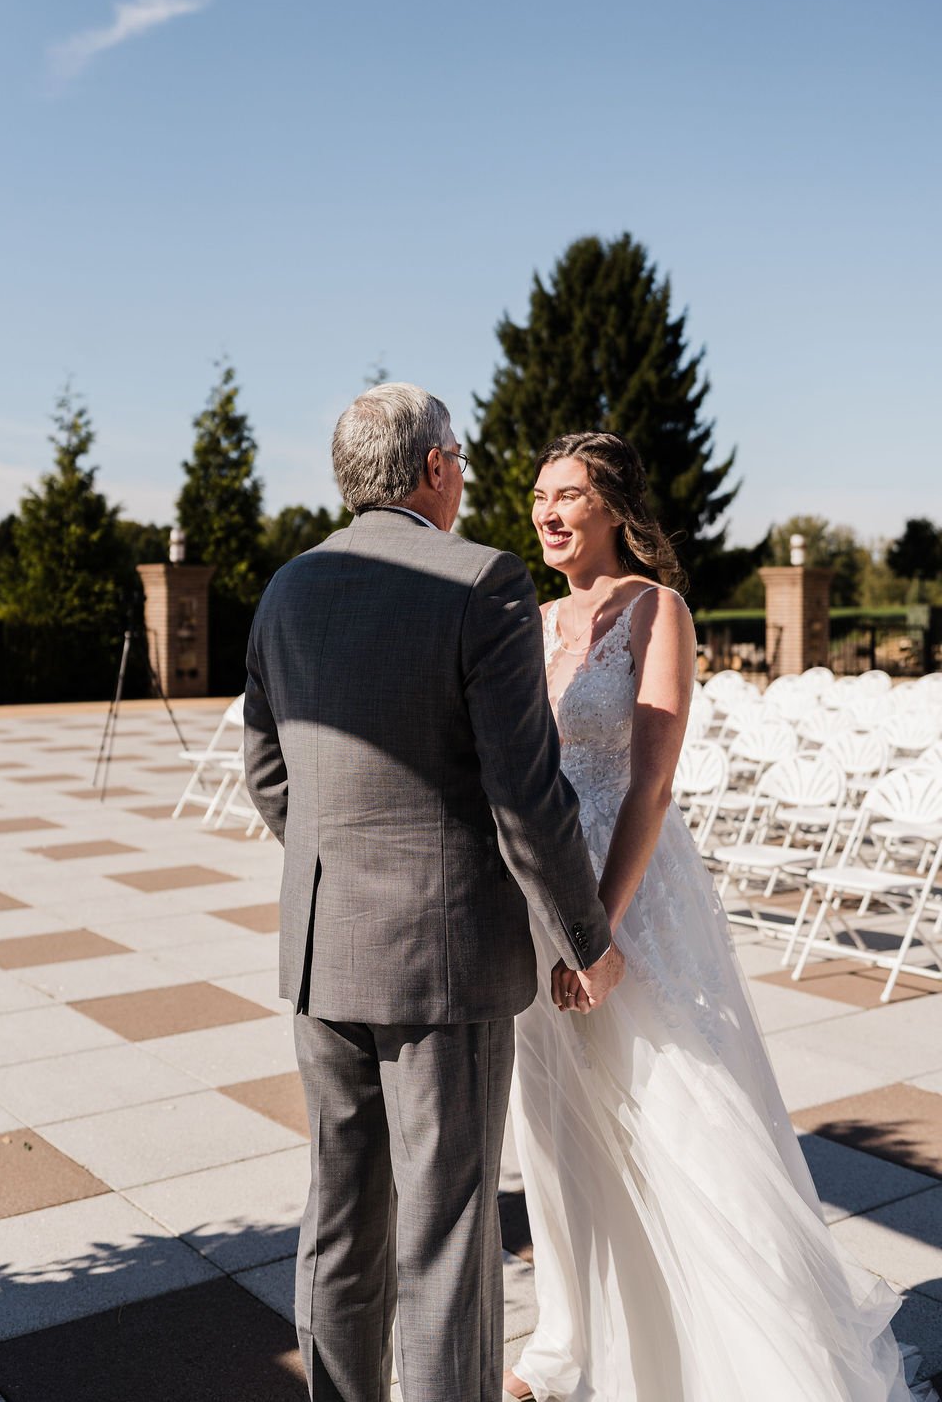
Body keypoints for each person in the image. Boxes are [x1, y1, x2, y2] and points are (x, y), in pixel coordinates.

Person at [503, 430, 935, 1402]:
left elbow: (651, 782)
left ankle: (738, 1355)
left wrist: (600, 929)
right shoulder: (527, 620)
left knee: (671, 1106)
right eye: (538, 494)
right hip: (538, 890)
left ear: (612, 504)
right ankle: (568, 1340)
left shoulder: (659, 610)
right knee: (556, 1120)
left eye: (569, 493)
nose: (549, 511)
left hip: (629, 885)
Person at [243, 385, 624, 1402]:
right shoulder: (480, 581)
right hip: (443, 959)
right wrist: (583, 934)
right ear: (435, 469)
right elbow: (524, 789)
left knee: (338, 1220)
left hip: (325, 950)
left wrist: (337, 871)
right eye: (457, 457)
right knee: (447, 1233)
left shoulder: (287, 586)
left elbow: (266, 772)